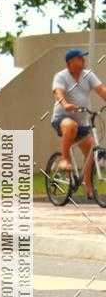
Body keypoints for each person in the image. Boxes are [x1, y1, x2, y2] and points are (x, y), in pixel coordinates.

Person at [52, 49, 106, 198]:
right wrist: (65, 104)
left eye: (83, 58)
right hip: (61, 118)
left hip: (82, 122)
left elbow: (101, 90)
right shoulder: (61, 76)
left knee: (91, 153)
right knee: (71, 126)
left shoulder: (88, 75)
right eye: (79, 58)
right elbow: (58, 92)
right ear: (70, 62)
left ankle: (89, 189)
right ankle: (64, 159)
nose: (83, 60)